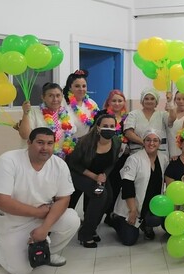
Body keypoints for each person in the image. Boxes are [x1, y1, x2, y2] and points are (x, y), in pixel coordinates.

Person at [0, 128, 80, 274]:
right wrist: (37, 212)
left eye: (49, 143)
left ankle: (48, 251)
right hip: (11, 222)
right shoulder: (8, 161)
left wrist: (44, 228)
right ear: (29, 143)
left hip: (40, 218)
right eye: (40, 143)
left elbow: (64, 199)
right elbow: (0, 201)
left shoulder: (59, 164)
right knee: (21, 271)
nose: (45, 148)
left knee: (72, 219)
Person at [66, 114, 121, 248]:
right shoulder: (85, 142)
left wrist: (103, 176)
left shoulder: (116, 142)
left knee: (109, 198)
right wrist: (94, 177)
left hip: (100, 175)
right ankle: (85, 235)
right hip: (79, 174)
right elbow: (73, 164)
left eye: (112, 126)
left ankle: (90, 227)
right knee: (100, 195)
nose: (109, 129)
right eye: (105, 126)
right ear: (98, 127)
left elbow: (111, 163)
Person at [109, 129, 169, 244]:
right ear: (143, 142)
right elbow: (127, 185)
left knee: (156, 219)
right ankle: (116, 219)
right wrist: (132, 210)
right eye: (148, 140)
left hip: (150, 204)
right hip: (131, 205)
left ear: (159, 143)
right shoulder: (134, 159)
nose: (151, 143)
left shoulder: (163, 158)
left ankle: (146, 225)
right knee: (129, 240)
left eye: (155, 140)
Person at [94, 90, 130, 224]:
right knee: (100, 187)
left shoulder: (127, 117)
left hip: (120, 158)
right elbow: (94, 134)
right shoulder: (101, 115)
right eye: (114, 100)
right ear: (109, 102)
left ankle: (110, 214)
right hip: (103, 157)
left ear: (124, 102)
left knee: (116, 186)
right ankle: (92, 216)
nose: (117, 103)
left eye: (120, 101)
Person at [17, 82, 78, 159]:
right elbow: (25, 135)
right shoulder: (33, 112)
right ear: (43, 97)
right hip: (37, 158)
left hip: (62, 158)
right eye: (50, 96)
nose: (55, 99)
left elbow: (73, 135)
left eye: (58, 95)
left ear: (62, 96)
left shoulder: (67, 113)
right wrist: (25, 113)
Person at [124, 88, 176, 156]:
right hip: (138, 153)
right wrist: (145, 143)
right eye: (146, 99)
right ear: (142, 101)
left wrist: (170, 102)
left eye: (152, 99)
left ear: (156, 101)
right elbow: (128, 133)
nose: (149, 101)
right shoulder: (133, 114)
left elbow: (172, 118)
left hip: (159, 154)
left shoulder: (162, 115)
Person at [63, 69, 99, 138]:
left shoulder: (92, 104)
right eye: (77, 86)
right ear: (70, 87)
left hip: (87, 143)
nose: (81, 89)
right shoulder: (64, 104)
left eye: (84, 86)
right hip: (69, 144)